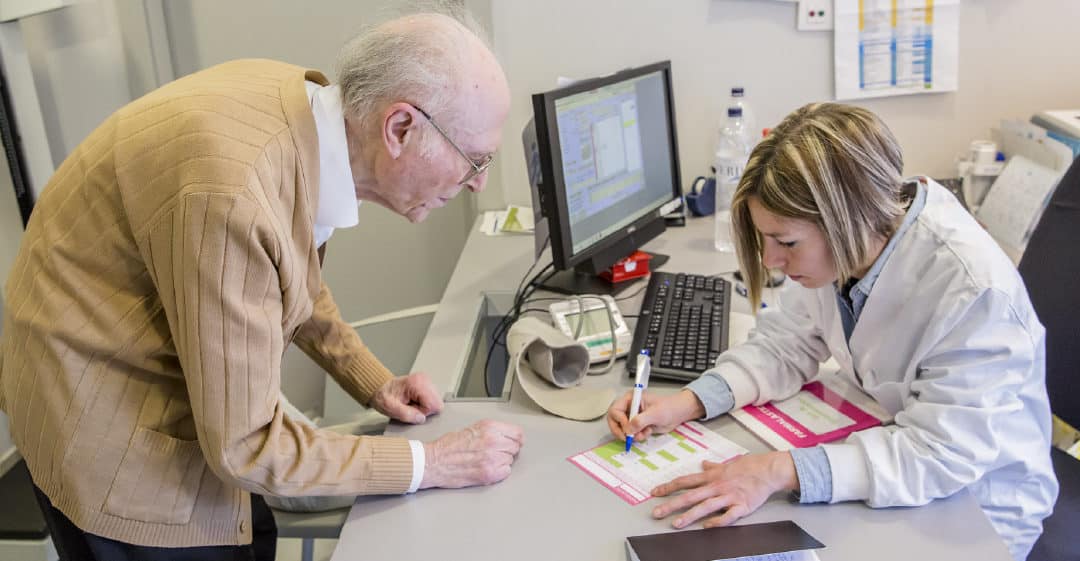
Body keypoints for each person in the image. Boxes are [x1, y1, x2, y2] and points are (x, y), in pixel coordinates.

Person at [0, 11, 524, 561]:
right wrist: (432, 463)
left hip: (163, 371)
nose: (479, 183)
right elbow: (246, 447)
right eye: (475, 160)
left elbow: (283, 266)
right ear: (399, 129)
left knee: (253, 532)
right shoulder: (235, 194)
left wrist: (371, 380)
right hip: (98, 417)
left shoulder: (306, 118)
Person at [608, 103, 1058, 560]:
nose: (770, 261)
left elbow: (940, 453)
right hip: (892, 442)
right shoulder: (854, 242)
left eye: (786, 242)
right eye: (766, 240)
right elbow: (786, 343)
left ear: (848, 220)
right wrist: (688, 402)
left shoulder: (974, 291)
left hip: (977, 509)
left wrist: (776, 471)